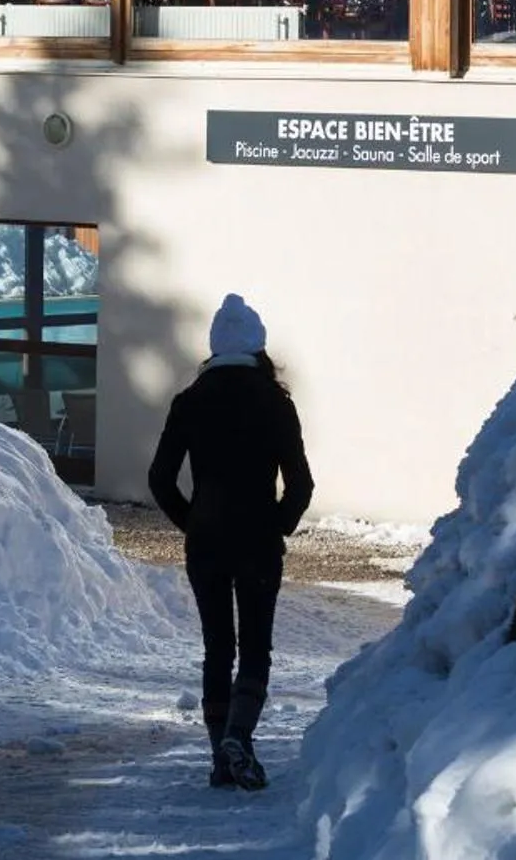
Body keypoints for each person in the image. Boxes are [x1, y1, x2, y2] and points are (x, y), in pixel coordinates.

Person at [147, 292, 314, 792]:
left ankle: (221, 756)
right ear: (259, 348)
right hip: (258, 540)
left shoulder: (190, 401)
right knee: (255, 646)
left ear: (214, 349)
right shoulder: (276, 402)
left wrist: (192, 522)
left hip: (207, 542)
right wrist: (277, 524)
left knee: (217, 647)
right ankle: (239, 735)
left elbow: (160, 478)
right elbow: (301, 484)